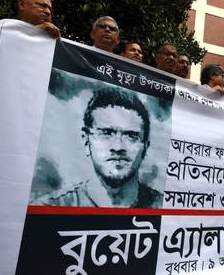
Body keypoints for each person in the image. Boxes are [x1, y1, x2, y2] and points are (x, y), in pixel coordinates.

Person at [33, 89, 163, 208]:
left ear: (145, 146)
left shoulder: (163, 206)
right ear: (86, 140)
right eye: (105, 133)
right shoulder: (48, 208)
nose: (117, 147)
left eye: (131, 136)